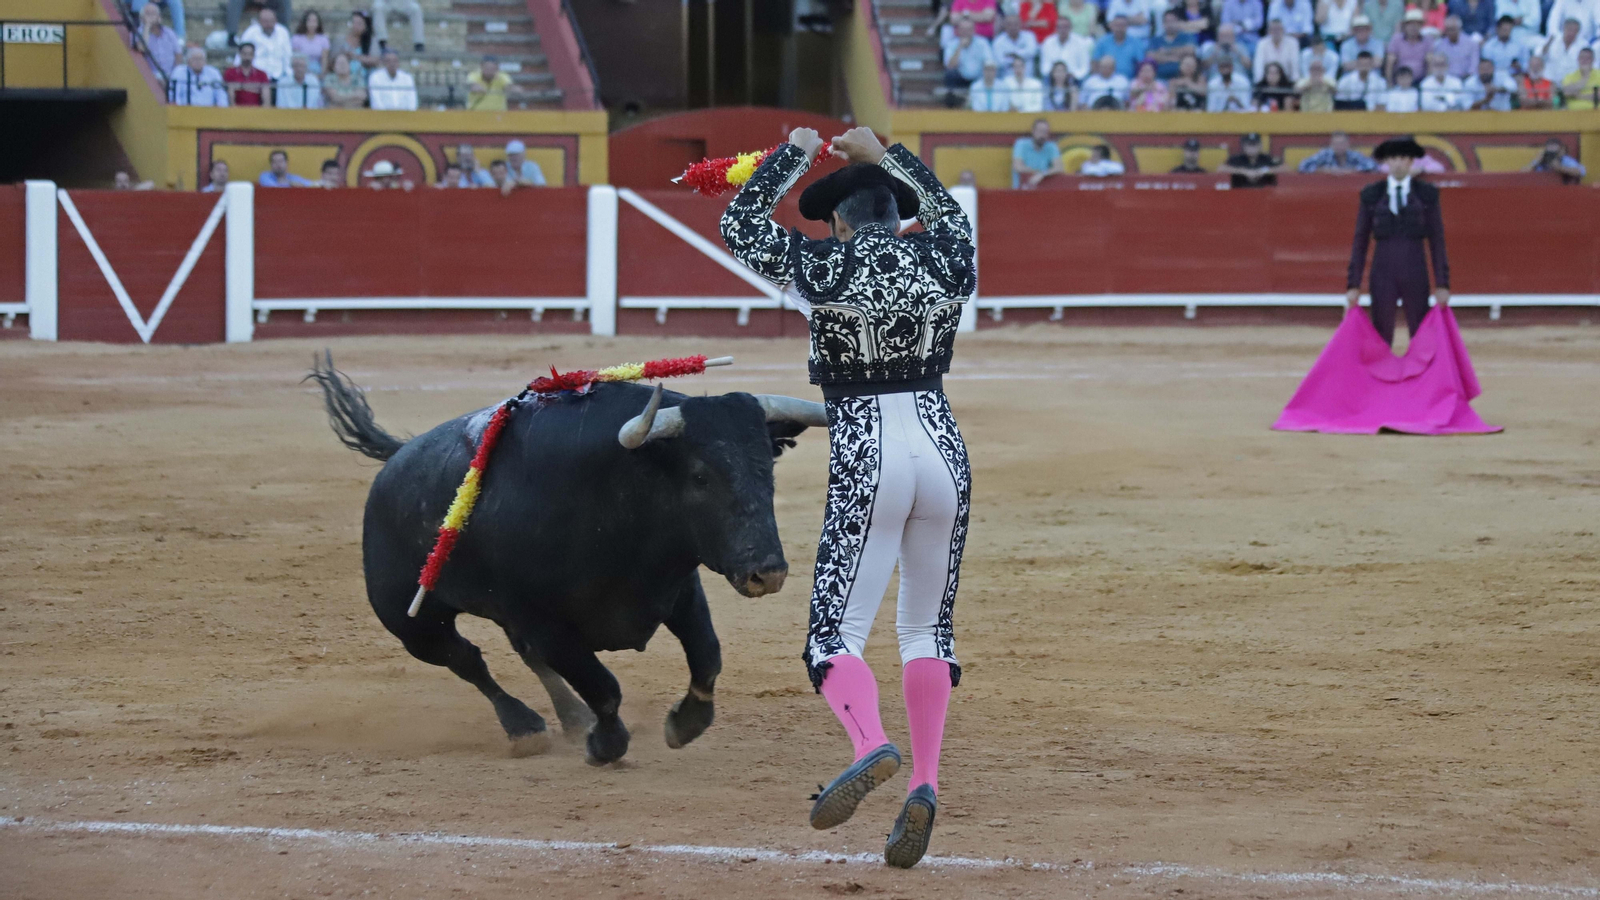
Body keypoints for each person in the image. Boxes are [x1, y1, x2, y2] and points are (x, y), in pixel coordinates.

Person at [718, 125, 974, 872]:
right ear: (900, 215)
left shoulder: (822, 266)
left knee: (834, 634)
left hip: (867, 446)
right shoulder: (947, 254)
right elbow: (950, 211)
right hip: (942, 445)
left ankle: (871, 745)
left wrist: (793, 154)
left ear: (836, 223)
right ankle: (923, 782)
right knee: (927, 628)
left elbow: (739, 225)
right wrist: (887, 154)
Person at [1345, 137, 1450, 346]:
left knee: (1420, 331)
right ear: (1386, 162)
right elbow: (1360, 240)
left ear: (1412, 161)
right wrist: (1353, 284)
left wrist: (1442, 283)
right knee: (1381, 332)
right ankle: (1384, 378)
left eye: (1403, 158)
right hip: (1382, 271)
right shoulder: (1371, 194)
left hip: (1416, 270)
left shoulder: (1427, 194)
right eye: (1393, 158)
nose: (1398, 163)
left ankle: (1420, 378)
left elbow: (1437, 240)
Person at [237, 6, 293, 80]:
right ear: (259, 21)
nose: (269, 24)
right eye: (265, 21)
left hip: (279, 76)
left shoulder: (283, 32)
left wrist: (289, 75)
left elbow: (287, 55)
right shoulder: (251, 32)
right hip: (257, 77)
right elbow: (242, 53)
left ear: (276, 20)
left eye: (271, 21)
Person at [942, 18, 995, 97]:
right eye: (963, 29)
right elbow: (950, 66)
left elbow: (989, 62)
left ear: (973, 30)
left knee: (989, 71)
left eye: (968, 29)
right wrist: (959, 47)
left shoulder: (982, 43)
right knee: (950, 74)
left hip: (979, 78)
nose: (965, 32)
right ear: (958, 30)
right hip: (960, 77)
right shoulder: (951, 44)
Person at [1038, 16, 1092, 80]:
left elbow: (1084, 67)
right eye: (1060, 27)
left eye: (1065, 27)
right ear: (1056, 28)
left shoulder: (1080, 42)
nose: (1063, 30)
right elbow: (1045, 66)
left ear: (1071, 28)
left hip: (1074, 78)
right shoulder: (1048, 42)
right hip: (1053, 78)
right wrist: (1055, 74)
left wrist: (1074, 75)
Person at [1148, 10, 1199, 77]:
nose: (1170, 24)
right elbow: (1150, 56)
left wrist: (1166, 52)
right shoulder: (1156, 40)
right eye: (1167, 21)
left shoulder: (1186, 37)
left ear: (1178, 22)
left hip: (1182, 77)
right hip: (1160, 78)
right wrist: (1174, 58)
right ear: (1163, 24)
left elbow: (1190, 50)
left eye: (1172, 21)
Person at [1385, 9, 1433, 80]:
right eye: (1410, 24)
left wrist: (1427, 83)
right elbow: (1390, 62)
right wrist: (1389, 84)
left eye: (1417, 24)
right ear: (1405, 26)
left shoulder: (1427, 40)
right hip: (1400, 79)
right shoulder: (1396, 39)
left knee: (1430, 59)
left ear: (1421, 26)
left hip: (1420, 80)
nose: (1413, 27)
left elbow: (1430, 62)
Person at [1298, 131, 1378, 172]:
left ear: (1347, 144)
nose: (1339, 146)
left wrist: (1351, 170)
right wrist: (1324, 170)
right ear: (1331, 144)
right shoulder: (1325, 154)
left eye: (1342, 143)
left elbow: (1373, 166)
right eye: (1336, 144)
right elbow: (1303, 166)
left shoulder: (1354, 155)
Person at [138, 2, 182, 77]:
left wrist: (176, 73)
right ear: (142, 18)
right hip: (150, 75)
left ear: (159, 17)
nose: (151, 16)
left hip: (170, 74)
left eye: (154, 13)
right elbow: (141, 48)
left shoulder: (169, 33)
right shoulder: (139, 31)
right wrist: (147, 26)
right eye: (148, 14)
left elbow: (178, 54)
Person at [329, 10, 376, 78]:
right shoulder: (340, 40)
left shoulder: (371, 41)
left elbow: (376, 60)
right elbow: (331, 62)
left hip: (365, 77)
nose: (355, 26)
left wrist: (355, 56)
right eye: (354, 22)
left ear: (366, 26)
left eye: (359, 23)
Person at [223, 42, 272, 106]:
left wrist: (240, 87)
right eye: (244, 54)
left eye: (250, 54)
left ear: (254, 55)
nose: (247, 57)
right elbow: (228, 93)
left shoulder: (262, 74)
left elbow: (266, 97)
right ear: (240, 54)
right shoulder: (230, 72)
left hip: (257, 112)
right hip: (235, 111)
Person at [292, 9, 330, 74]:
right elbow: (296, 59)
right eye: (309, 21)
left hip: (318, 71)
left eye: (314, 21)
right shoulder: (296, 39)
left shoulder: (324, 39)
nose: (312, 24)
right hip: (301, 72)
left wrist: (321, 75)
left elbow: (324, 60)